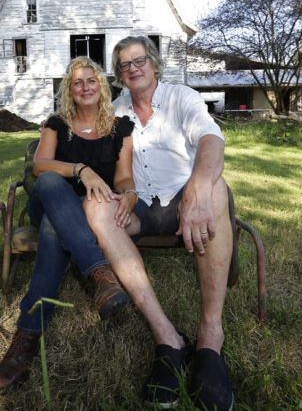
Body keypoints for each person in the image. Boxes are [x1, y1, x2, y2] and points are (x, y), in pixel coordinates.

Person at [83, 36, 234, 410]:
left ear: (153, 63)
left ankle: (210, 337)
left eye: (139, 60)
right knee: (96, 207)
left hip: (184, 199)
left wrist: (197, 188)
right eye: (124, 65)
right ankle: (168, 338)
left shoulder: (181, 97)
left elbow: (212, 139)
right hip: (140, 206)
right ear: (118, 75)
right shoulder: (115, 110)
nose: (132, 68)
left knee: (216, 188)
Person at [0, 56, 138, 390]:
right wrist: (80, 169)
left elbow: (125, 177)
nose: (85, 87)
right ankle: (100, 274)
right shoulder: (57, 124)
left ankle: (25, 338)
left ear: (102, 86)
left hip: (84, 213)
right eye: (77, 83)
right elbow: (40, 166)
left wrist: (129, 196)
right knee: (54, 185)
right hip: (49, 199)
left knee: (55, 230)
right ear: (69, 91)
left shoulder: (121, 129)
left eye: (91, 80)